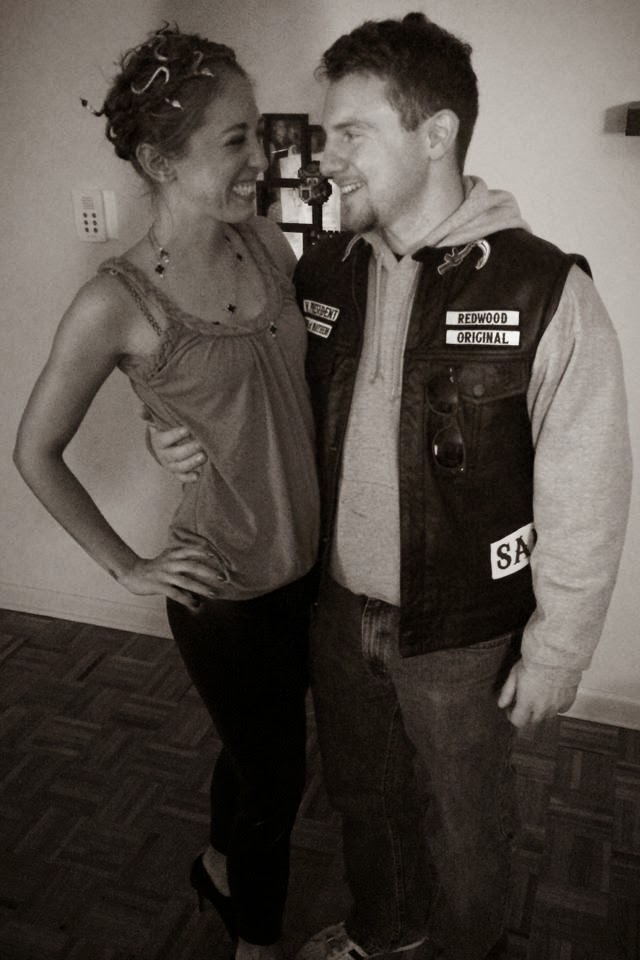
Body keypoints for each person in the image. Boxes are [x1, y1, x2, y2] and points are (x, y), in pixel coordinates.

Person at [149, 12, 632, 960]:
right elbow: (254, 389)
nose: (324, 158)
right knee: (365, 800)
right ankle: (384, 932)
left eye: (352, 133)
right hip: (337, 611)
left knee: (468, 826)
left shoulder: (543, 290)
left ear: (437, 133)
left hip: (463, 634)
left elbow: (589, 484)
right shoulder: (324, 267)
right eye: (326, 134)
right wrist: (171, 433)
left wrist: (560, 651)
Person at [13, 25, 319, 960]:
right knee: (277, 777)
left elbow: (282, 388)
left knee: (254, 748)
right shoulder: (116, 303)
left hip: (310, 566)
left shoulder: (266, 243)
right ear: (159, 162)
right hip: (222, 588)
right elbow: (36, 452)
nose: (259, 157)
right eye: (235, 140)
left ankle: (220, 864)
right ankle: (255, 942)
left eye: (256, 132)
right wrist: (127, 566)